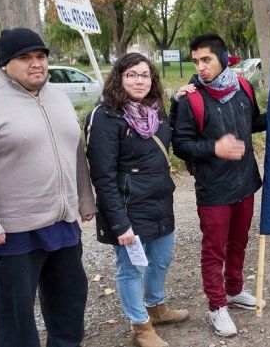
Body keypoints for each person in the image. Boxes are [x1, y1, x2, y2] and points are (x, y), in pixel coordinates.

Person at [0, 28, 97, 347]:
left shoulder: (57, 96)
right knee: (15, 322)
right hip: (11, 232)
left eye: (40, 57)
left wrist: (84, 199)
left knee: (70, 308)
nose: (36, 64)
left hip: (62, 223)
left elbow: (74, 149)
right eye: (25, 58)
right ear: (5, 64)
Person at [85, 53, 188, 347]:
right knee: (131, 269)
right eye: (131, 74)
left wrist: (179, 103)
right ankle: (141, 326)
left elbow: (171, 144)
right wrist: (119, 224)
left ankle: (155, 307)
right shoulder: (104, 116)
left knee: (162, 259)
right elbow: (103, 177)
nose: (139, 81)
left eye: (145, 75)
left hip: (160, 201)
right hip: (128, 208)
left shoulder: (156, 110)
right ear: (118, 77)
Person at [171, 34, 266, 337]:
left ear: (223, 58)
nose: (200, 67)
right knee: (214, 250)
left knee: (239, 242)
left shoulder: (243, 88)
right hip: (213, 189)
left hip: (246, 182)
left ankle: (234, 290)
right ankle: (216, 306)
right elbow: (181, 145)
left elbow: (251, 123)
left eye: (206, 60)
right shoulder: (192, 99)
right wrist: (215, 149)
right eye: (196, 61)